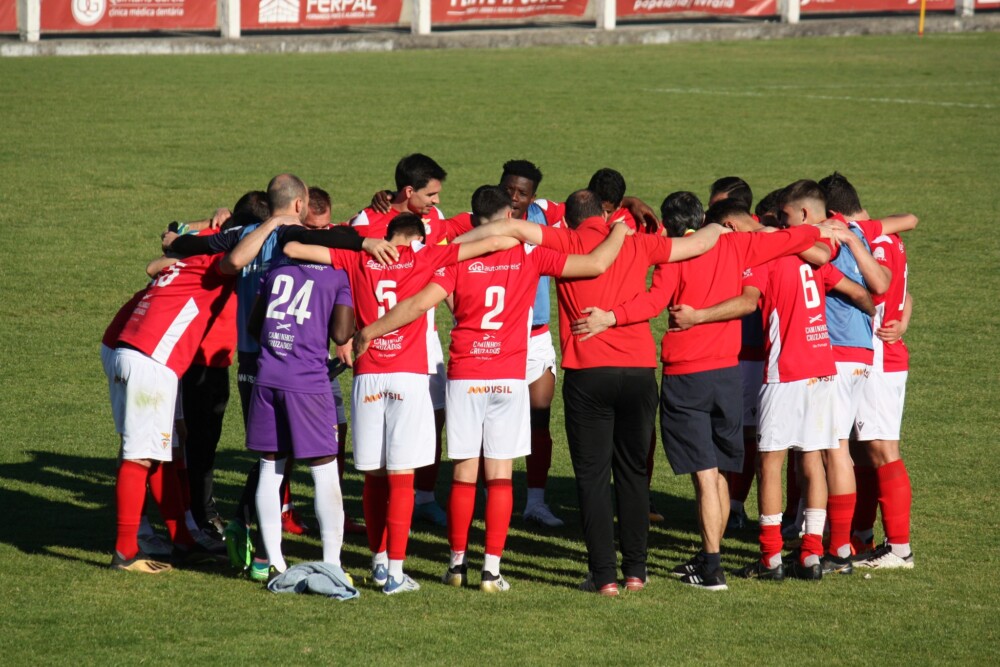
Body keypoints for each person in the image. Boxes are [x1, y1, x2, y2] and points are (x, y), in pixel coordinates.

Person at [354, 186, 629, 592]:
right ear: (506, 215)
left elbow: (419, 304)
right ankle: (491, 571)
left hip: (466, 372)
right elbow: (595, 265)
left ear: (473, 219)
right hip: (508, 373)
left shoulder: (454, 261)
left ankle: (456, 564)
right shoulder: (529, 254)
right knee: (499, 473)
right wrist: (619, 229)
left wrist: (372, 331)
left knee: (465, 471)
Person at [454, 189, 726, 596]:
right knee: (633, 475)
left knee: (593, 477)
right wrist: (722, 225)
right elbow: (697, 243)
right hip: (638, 373)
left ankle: (604, 578)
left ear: (570, 219)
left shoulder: (563, 239)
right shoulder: (639, 242)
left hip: (588, 375)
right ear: (605, 212)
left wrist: (447, 247)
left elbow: (510, 226)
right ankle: (636, 572)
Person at [568, 196, 836, 591]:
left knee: (705, 475)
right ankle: (710, 557)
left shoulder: (674, 258)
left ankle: (712, 566)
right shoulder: (736, 244)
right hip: (728, 375)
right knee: (721, 472)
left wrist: (611, 316)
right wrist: (818, 231)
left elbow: (654, 302)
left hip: (687, 376)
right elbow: (784, 242)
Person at [283, 212, 519, 594]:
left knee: (373, 476)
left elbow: (293, 247)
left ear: (388, 235)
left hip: (368, 377)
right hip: (408, 377)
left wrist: (360, 244)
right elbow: (499, 242)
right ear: (418, 238)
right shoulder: (427, 258)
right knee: (403, 477)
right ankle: (395, 572)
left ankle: (377, 563)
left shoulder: (360, 258)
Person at [104, 196, 301, 573]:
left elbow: (158, 260)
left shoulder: (193, 255)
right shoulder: (214, 260)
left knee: (165, 451)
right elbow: (235, 259)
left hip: (129, 347)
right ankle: (126, 552)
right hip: (151, 357)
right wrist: (274, 224)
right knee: (141, 455)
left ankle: (181, 540)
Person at [818, 172, 917, 569]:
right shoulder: (880, 233)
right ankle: (860, 537)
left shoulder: (868, 240)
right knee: (861, 450)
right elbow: (905, 292)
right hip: (879, 352)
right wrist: (906, 316)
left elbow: (881, 286)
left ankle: (899, 548)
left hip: (878, 355)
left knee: (881, 450)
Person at [351, 153, 452, 526]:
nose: (436, 202)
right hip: (375, 343)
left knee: (434, 414)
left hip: (424, 335)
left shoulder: (435, 220)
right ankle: (388, 496)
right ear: (408, 191)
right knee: (382, 423)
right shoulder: (367, 221)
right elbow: (347, 267)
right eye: (431, 195)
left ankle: (424, 497)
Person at [243, 247, 355, 582]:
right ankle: (332, 563)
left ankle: (271, 562)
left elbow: (254, 326)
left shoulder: (276, 270)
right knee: (324, 469)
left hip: (268, 378)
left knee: (271, 465)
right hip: (307, 383)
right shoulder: (338, 274)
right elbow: (340, 334)